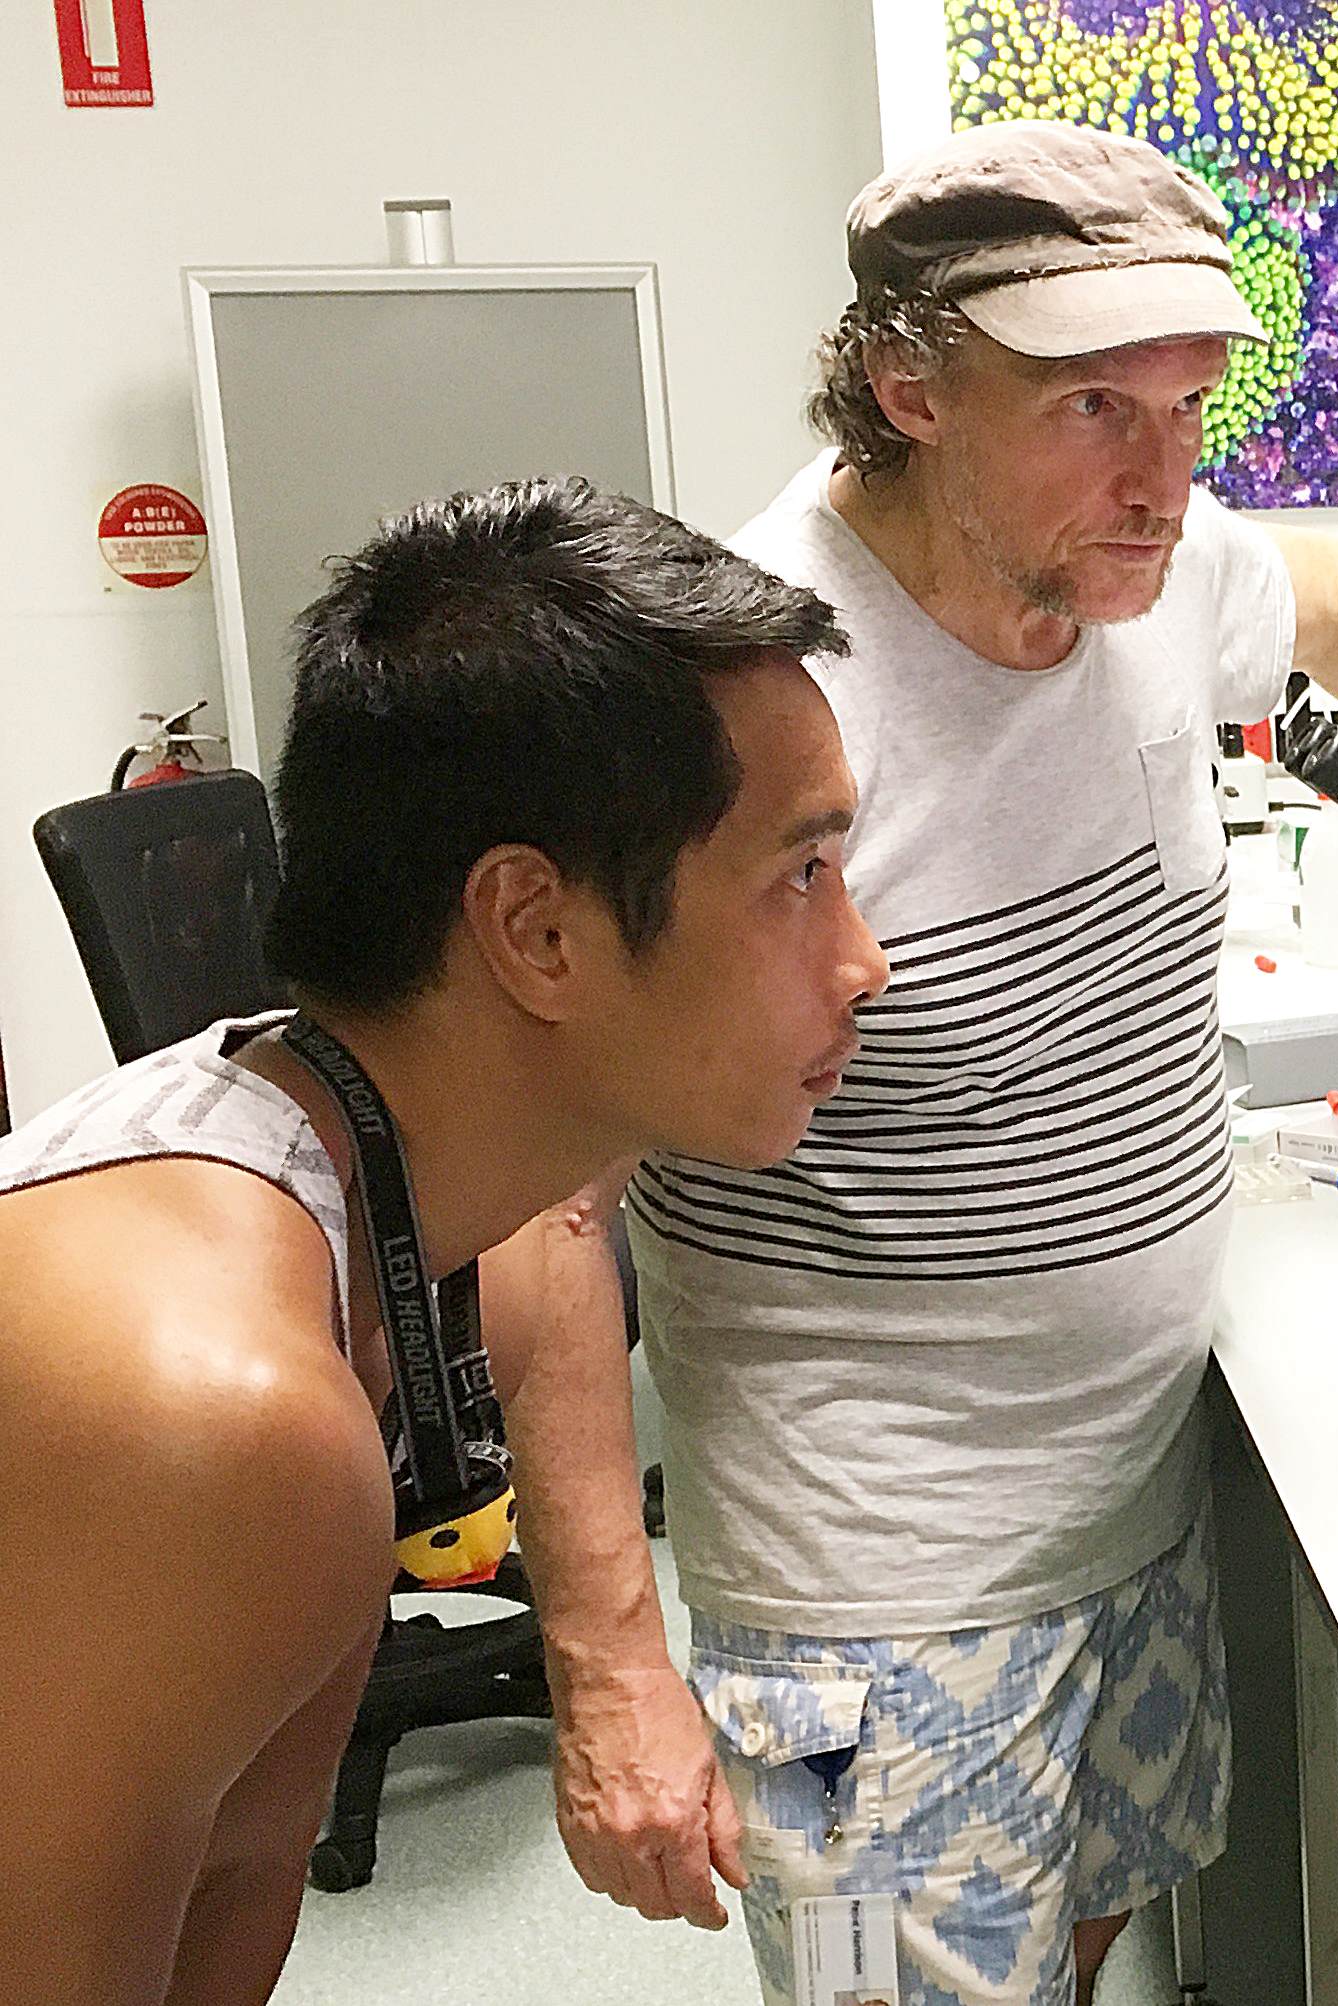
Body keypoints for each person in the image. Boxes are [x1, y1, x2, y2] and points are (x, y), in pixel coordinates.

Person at [515, 122, 1338, 2006]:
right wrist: (604, 1660)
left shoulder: (1149, 566)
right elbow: (543, 1194)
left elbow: (1327, 601)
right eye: (1092, 411)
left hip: (1130, 1520)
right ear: (912, 392)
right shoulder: (732, 691)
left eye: (1190, 404)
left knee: (1078, 1966)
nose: (1165, 480)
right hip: (872, 1595)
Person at [0, 479, 888, 2004]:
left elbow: (554, 1244)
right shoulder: (211, 1417)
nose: (864, 961)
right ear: (536, 933)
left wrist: (611, 1652)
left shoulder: (388, 1179)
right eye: (797, 876)